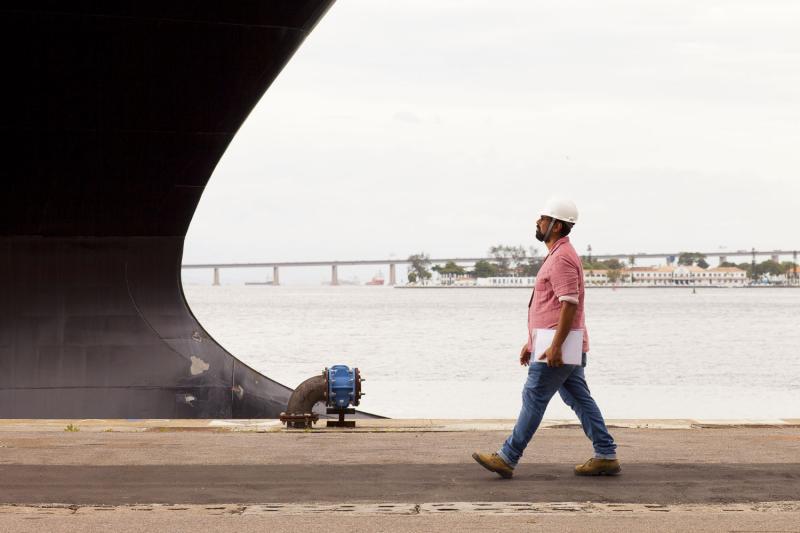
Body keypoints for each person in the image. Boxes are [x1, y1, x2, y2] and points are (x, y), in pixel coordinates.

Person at [472, 197, 619, 478]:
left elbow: (569, 303)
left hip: (558, 345)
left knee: (534, 396)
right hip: (554, 342)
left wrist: (554, 346)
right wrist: (532, 342)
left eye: (542, 218)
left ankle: (507, 457)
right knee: (579, 397)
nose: (537, 223)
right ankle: (606, 454)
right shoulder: (557, 254)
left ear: (556, 226)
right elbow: (551, 306)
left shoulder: (563, 258)